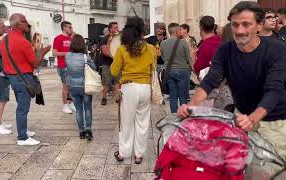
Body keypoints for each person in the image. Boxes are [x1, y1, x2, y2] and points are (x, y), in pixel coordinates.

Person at [178, 1, 286, 177]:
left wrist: (252, 119)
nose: (240, 30)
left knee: (260, 173)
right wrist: (192, 106)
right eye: (235, 24)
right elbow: (211, 80)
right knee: (236, 169)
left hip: (274, 121)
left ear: (259, 26)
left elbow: (274, 90)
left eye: (246, 24)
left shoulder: (276, 49)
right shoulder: (225, 50)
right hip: (242, 116)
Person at [0, 13, 51, 145]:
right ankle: (22, 137)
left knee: (21, 106)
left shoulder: (4, 40)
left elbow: (13, 59)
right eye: (24, 21)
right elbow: (35, 64)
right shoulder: (23, 41)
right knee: (23, 109)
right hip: (23, 78)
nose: (27, 24)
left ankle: (24, 131)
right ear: (17, 24)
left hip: (13, 77)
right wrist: (43, 53)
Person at [111, 16, 156, 164]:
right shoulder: (150, 48)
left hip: (129, 87)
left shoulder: (122, 48)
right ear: (142, 30)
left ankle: (123, 153)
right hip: (145, 87)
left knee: (126, 122)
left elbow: (113, 71)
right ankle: (139, 155)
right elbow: (152, 68)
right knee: (142, 122)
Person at [65, 34, 95, 141]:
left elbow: (67, 70)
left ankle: (81, 132)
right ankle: (88, 130)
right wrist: (88, 57)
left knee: (78, 109)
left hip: (73, 86)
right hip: (85, 86)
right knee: (87, 108)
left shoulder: (67, 55)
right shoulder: (85, 56)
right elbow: (93, 68)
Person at [160, 23, 191, 113]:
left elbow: (163, 57)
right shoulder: (183, 42)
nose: (180, 32)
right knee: (183, 96)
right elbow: (188, 58)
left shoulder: (163, 43)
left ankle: (174, 116)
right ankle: (183, 115)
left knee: (173, 96)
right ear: (177, 31)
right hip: (182, 70)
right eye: (180, 30)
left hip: (169, 71)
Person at [52, 21, 75, 114]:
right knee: (66, 86)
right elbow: (54, 53)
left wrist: (72, 33)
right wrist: (65, 54)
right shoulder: (58, 38)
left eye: (71, 27)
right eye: (69, 27)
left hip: (72, 65)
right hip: (63, 66)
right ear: (64, 28)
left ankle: (71, 103)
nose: (71, 29)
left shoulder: (71, 38)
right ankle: (65, 105)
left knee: (72, 86)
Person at [100, 21, 119, 105]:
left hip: (117, 64)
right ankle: (104, 97)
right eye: (115, 28)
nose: (116, 29)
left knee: (117, 82)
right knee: (106, 83)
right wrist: (115, 57)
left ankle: (118, 98)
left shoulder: (119, 38)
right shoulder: (105, 39)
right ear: (110, 29)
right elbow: (105, 51)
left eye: (117, 27)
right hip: (107, 64)